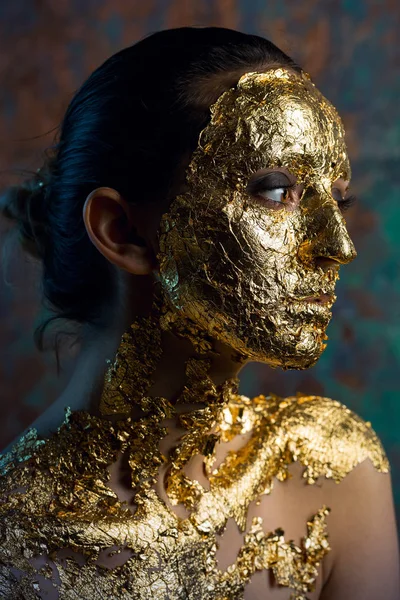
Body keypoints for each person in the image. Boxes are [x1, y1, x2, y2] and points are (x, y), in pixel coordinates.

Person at [0, 26, 398, 600]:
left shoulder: (331, 471)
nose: (338, 245)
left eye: (335, 198)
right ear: (124, 232)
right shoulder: (16, 546)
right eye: (274, 189)